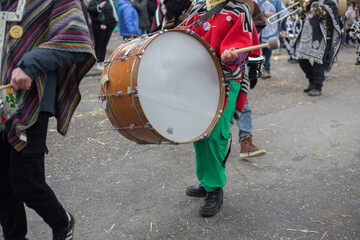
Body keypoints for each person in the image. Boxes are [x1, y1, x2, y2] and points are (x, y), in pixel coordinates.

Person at [0, 0, 96, 239]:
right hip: (3, 99)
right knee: (1, 185)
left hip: (32, 99)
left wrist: (29, 65)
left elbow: (76, 39)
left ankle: (62, 223)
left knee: (27, 183)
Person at [185, 0, 261, 217]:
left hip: (226, 79)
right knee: (199, 133)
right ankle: (207, 181)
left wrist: (233, 54)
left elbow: (244, 44)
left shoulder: (240, 9)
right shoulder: (199, 6)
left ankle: (215, 189)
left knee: (216, 133)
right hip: (199, 78)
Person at [236, 0, 267, 158]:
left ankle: (245, 142)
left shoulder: (248, 3)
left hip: (237, 62)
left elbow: (260, 22)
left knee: (243, 101)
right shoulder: (204, 4)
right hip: (210, 62)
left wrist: (245, 36)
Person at [296, 0, 341, 96]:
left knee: (318, 62)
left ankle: (317, 86)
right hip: (308, 36)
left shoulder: (330, 3)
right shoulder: (312, 3)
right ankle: (312, 81)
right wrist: (304, 8)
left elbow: (324, 14)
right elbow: (301, 17)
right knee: (301, 60)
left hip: (322, 37)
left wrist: (314, 5)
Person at [257, 0, 288, 79]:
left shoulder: (277, 1)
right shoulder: (258, 1)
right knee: (261, 51)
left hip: (272, 28)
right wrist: (263, 12)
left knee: (268, 49)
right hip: (260, 29)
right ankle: (264, 68)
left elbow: (282, 13)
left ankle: (266, 69)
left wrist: (284, 28)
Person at [88, 0, 119, 71]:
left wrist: (115, 23)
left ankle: (102, 61)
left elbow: (113, 11)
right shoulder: (94, 1)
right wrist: (99, 7)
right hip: (98, 25)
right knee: (99, 44)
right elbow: (90, 10)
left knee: (105, 44)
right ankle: (97, 62)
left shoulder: (110, 1)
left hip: (109, 25)